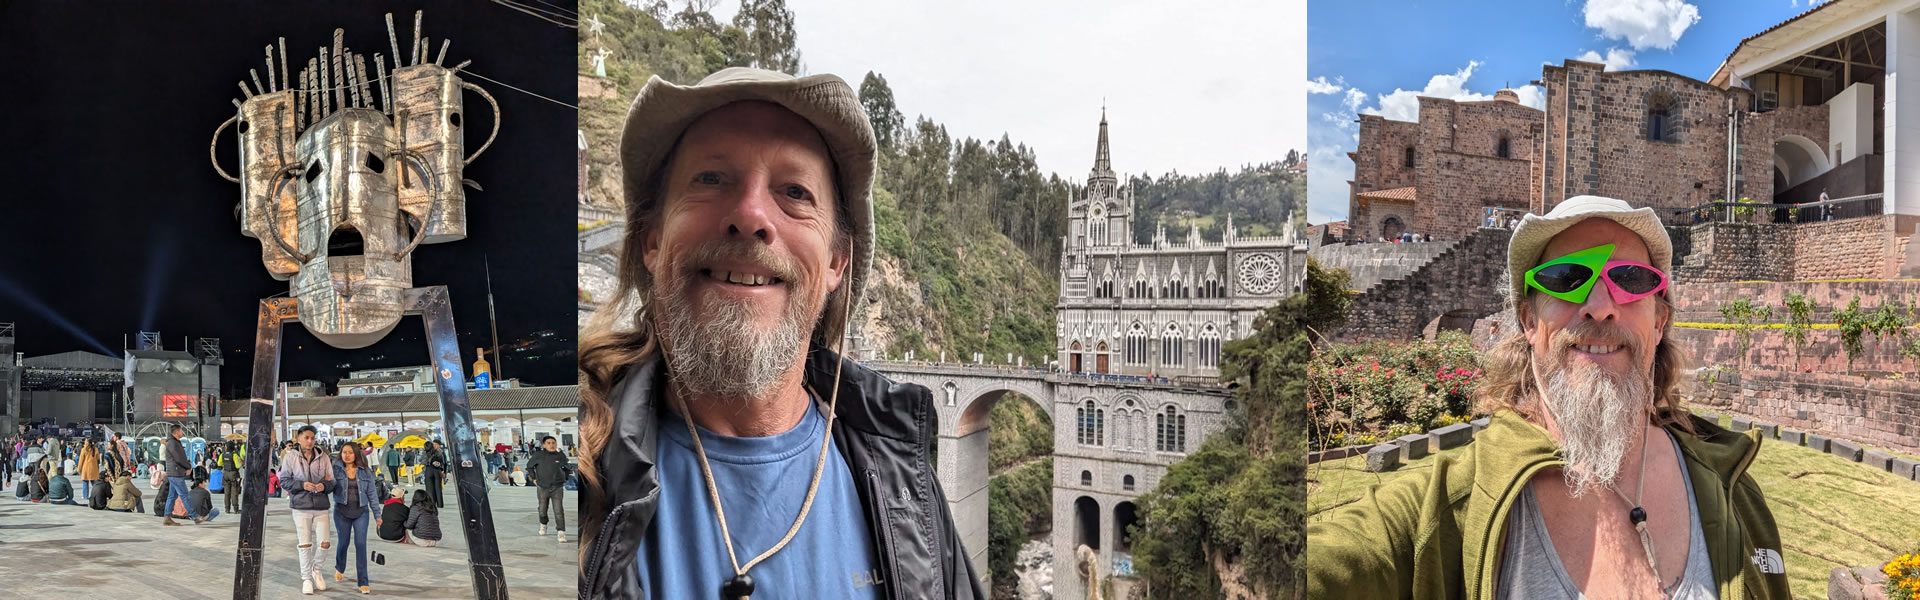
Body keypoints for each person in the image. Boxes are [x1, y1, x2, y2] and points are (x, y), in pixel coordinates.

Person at [576, 67, 979, 598]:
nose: (750, 215)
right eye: (711, 179)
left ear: (837, 260)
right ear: (652, 240)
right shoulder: (577, 467)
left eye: (794, 191)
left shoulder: (910, 495)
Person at [1305, 195, 1790, 599]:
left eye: (1629, 279)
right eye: (1566, 278)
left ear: (1659, 320)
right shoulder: (1448, 508)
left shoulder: (1735, 492)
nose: (1600, 307)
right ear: (1529, 321)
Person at [280, 426, 336, 595]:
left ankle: (316, 569)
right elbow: (284, 481)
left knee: (324, 542)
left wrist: (324, 486)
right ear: (298, 439)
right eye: (306, 437)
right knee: (305, 544)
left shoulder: (323, 457)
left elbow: (332, 481)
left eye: (312, 438)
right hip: (300, 505)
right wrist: (301, 485)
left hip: (320, 505)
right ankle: (306, 578)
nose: (310, 441)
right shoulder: (290, 457)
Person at [331, 441, 380, 594]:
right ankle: (340, 567)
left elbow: (372, 493)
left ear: (356, 454)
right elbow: (327, 485)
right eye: (344, 452)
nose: (347, 455)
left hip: (361, 512)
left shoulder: (365, 471)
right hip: (341, 512)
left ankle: (363, 581)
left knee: (360, 544)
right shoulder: (335, 470)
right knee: (343, 543)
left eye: (350, 452)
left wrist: (377, 514)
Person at [529, 435, 569, 542]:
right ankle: (543, 524)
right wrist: (533, 478)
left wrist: (565, 478)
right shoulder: (538, 455)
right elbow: (529, 466)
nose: (552, 445)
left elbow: (567, 468)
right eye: (549, 443)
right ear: (543, 445)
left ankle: (561, 532)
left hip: (557, 487)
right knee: (542, 509)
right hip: (542, 487)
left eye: (553, 443)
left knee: (559, 510)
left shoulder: (560, 455)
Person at [161, 425, 202, 526]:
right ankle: (194, 516)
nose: (182, 432)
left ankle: (167, 517)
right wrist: (188, 467)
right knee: (184, 495)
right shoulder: (173, 443)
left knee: (172, 496)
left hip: (174, 472)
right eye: (181, 430)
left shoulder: (173, 442)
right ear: (177, 432)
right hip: (175, 473)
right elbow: (179, 458)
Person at [422, 440, 447, 508]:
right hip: (437, 471)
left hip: (429, 470)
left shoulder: (425, 453)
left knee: (429, 489)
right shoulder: (439, 452)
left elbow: (422, 461)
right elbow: (443, 462)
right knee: (438, 488)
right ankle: (440, 504)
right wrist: (443, 471)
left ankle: (431, 503)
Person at [222, 443, 243, 514]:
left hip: (225, 474)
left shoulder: (223, 455)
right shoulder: (234, 455)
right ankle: (235, 508)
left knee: (226, 492)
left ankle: (227, 508)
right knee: (234, 492)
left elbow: (219, 464)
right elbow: (238, 465)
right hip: (233, 474)